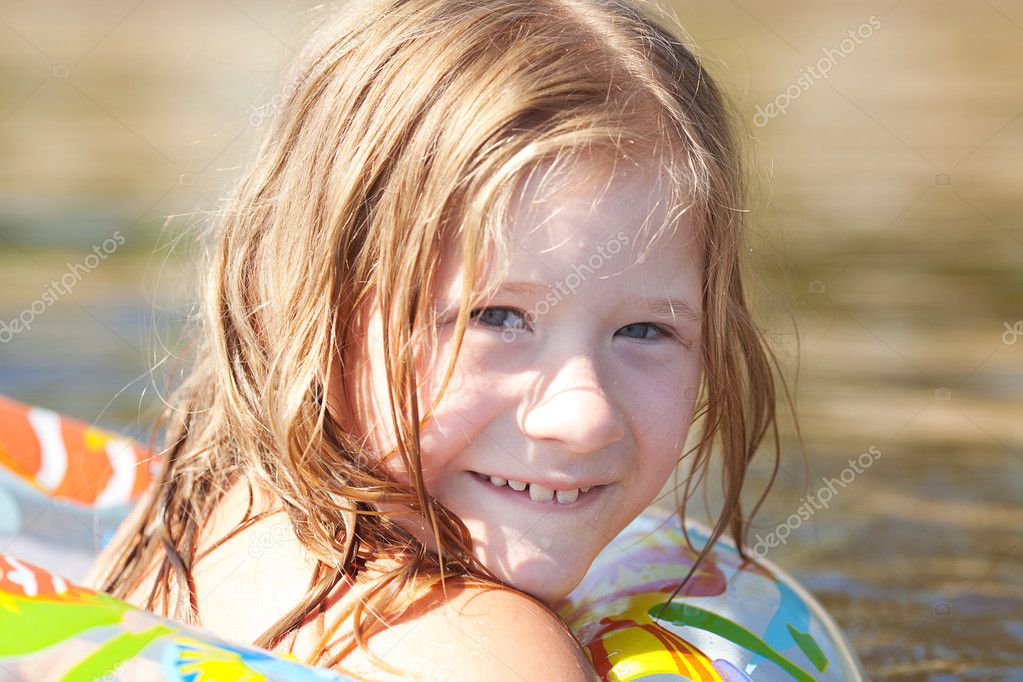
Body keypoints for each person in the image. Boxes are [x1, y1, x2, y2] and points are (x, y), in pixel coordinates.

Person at [82, 0, 793, 678]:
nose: (583, 417)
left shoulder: (209, 514)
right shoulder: (486, 653)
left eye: (645, 329)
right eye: (496, 318)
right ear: (300, 309)